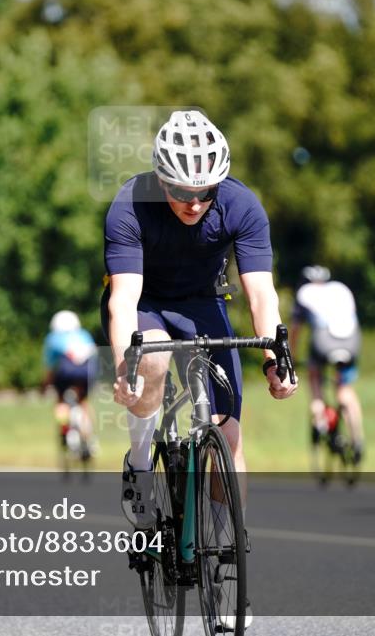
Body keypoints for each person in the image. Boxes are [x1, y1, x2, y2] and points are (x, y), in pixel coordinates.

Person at [103, 109, 298, 628]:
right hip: (149, 303)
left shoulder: (242, 204)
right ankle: (142, 465)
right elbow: (123, 300)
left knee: (230, 434)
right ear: (161, 179)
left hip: (206, 303)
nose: (194, 203)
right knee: (155, 362)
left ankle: (228, 551)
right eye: (181, 192)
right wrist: (129, 364)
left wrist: (276, 356)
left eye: (205, 193)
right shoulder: (129, 204)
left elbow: (261, 292)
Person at [289, 265, 365, 465]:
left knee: (314, 378)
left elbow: (295, 330)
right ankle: (357, 440)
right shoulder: (341, 288)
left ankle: (320, 418)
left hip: (324, 341)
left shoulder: (304, 293)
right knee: (344, 389)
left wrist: (292, 358)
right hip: (351, 340)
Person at [41, 310, 99, 457]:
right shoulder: (84, 335)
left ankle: (65, 429)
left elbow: (49, 367)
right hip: (86, 372)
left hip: (65, 373)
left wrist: (45, 385)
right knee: (84, 402)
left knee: (60, 401)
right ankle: (89, 438)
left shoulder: (53, 338)